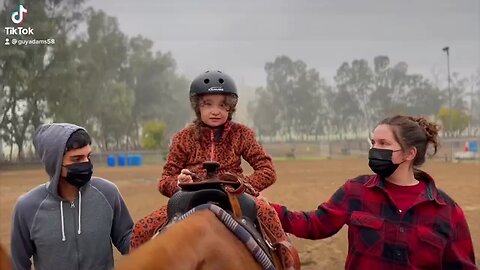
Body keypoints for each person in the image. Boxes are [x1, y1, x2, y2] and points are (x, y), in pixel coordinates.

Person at [130, 70, 298, 268]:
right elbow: (165, 179)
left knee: (269, 216)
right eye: (208, 104)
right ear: (198, 107)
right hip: (190, 196)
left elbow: (267, 170)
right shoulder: (183, 138)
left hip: (235, 195)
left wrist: (243, 185)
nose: (215, 111)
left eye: (222, 105)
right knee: (141, 229)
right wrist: (179, 182)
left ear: (230, 108)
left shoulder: (241, 134)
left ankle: (287, 263)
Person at [267, 115, 477, 269]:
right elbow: (316, 224)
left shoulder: (447, 211)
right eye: (373, 142)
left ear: (409, 153)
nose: (375, 149)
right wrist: (266, 210)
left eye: (384, 143)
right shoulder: (356, 191)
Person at [10, 124, 133, 270]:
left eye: (88, 156)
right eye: (76, 159)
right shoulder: (27, 207)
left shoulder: (108, 193)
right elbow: (18, 263)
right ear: (55, 163)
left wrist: (160, 232)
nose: (86, 164)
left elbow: (127, 239)